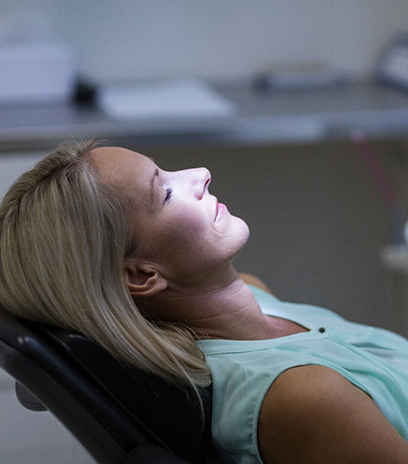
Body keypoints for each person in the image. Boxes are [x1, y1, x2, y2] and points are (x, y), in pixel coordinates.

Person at [1, 140, 408, 464]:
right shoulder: (303, 398)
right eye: (164, 192)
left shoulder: (255, 296)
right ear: (142, 275)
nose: (201, 174)